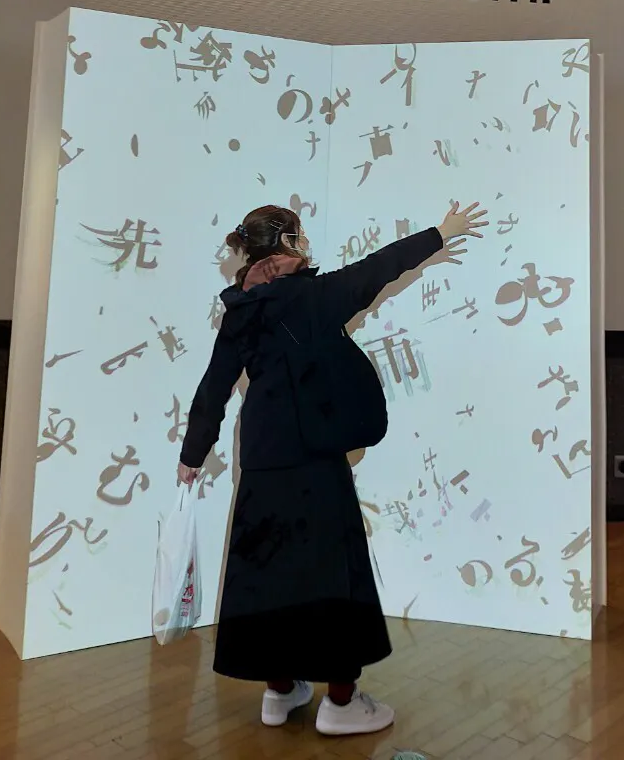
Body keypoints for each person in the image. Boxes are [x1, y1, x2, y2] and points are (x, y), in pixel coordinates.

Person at [177, 200, 489, 737]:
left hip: (263, 463)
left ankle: (280, 692)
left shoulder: (240, 312)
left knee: (269, 578)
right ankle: (340, 704)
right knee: (332, 579)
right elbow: (379, 266)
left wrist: (192, 454)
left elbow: (214, 388)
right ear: (289, 243)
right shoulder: (318, 296)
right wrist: (441, 232)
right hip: (316, 463)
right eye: (299, 236)